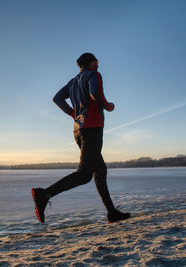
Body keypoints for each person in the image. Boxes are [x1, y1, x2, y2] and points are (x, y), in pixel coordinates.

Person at [31, 53, 131, 224]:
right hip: (92, 129)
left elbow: (57, 98)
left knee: (100, 170)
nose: (98, 66)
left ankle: (112, 212)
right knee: (84, 174)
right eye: (96, 62)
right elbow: (94, 94)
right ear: (91, 63)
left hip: (79, 131)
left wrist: (73, 114)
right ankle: (44, 194)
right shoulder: (94, 75)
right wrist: (108, 106)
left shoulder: (72, 82)